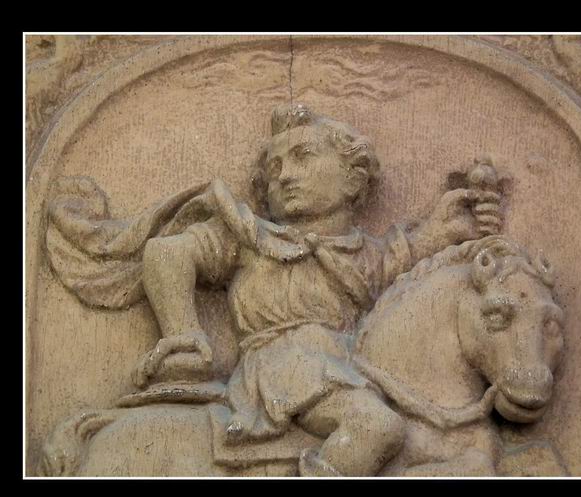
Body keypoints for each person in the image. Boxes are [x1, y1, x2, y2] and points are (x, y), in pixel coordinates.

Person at [135, 104, 502, 476]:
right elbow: (166, 254)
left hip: (352, 368)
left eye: (303, 156)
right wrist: (182, 335)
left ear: (352, 178)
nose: (284, 176)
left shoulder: (363, 256)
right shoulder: (251, 239)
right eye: (274, 169)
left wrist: (451, 228)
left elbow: (406, 258)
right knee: (375, 426)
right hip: (283, 365)